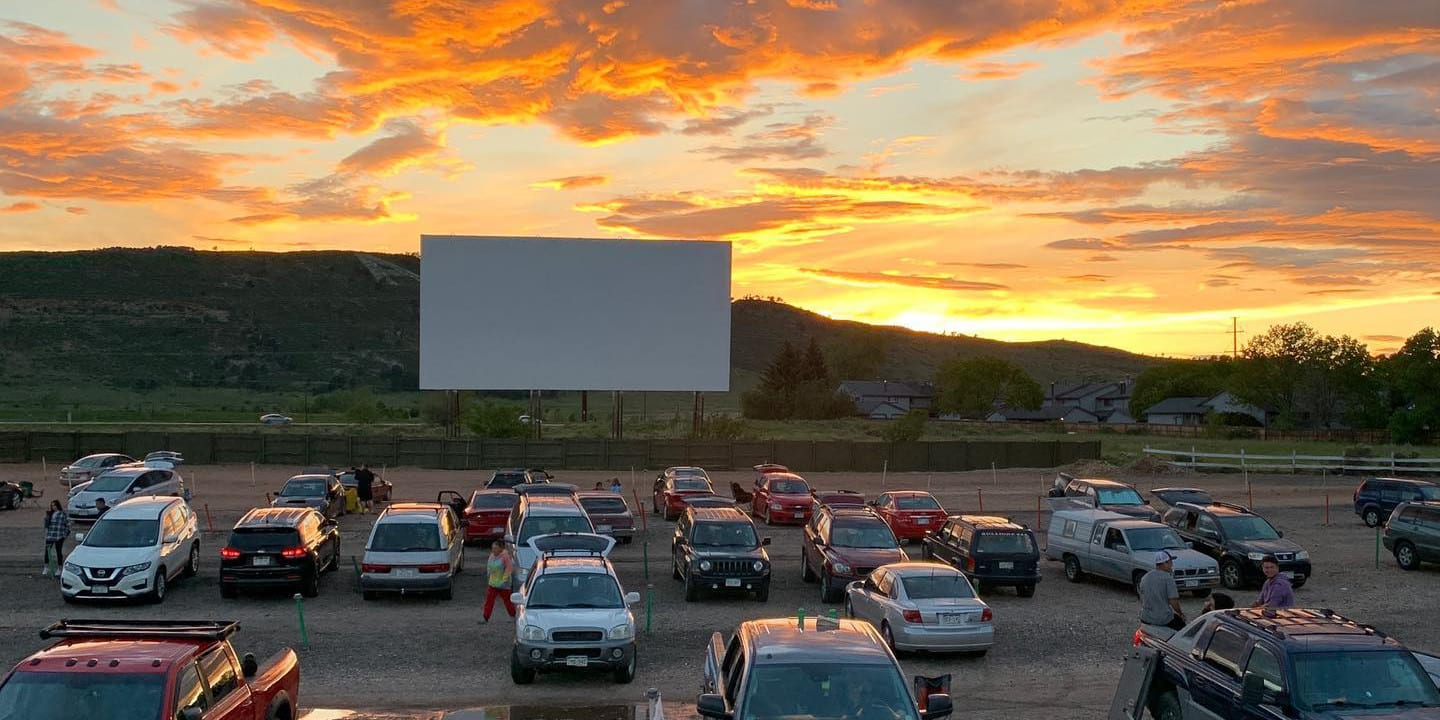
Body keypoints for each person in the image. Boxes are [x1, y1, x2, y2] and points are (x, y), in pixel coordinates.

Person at [1138, 550, 1186, 631]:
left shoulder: (1145, 577)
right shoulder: (1168, 578)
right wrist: (1181, 613)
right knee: (1182, 629)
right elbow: (1173, 601)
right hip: (1162, 619)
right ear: (1165, 563)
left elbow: (1142, 597)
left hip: (1146, 617)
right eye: (1170, 562)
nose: (1172, 565)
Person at [482, 540, 517, 622]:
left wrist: (504, 580)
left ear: (501, 548)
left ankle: (513, 615)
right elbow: (489, 567)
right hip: (493, 583)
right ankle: (485, 617)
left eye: (496, 548)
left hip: (503, 585)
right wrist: (489, 575)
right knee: (489, 601)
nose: (494, 550)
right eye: (493, 548)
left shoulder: (505, 557)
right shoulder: (491, 556)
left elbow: (509, 569)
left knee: (508, 601)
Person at [42, 500, 71, 576]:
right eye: (52, 505)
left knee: (59, 552)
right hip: (50, 535)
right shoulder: (50, 514)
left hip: (59, 536)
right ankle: (46, 567)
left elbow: (68, 524)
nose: (53, 507)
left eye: (55, 505)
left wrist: (64, 535)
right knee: (47, 551)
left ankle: (60, 568)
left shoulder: (62, 514)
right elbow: (46, 524)